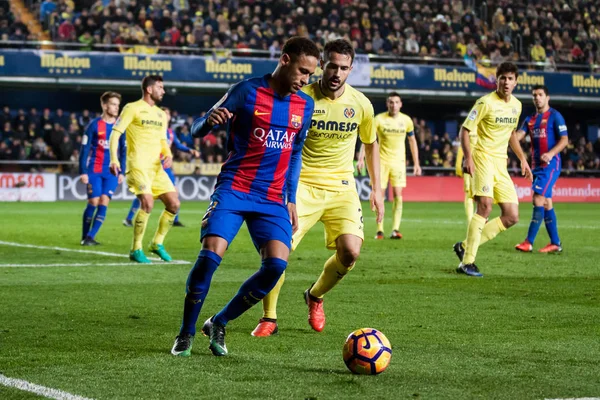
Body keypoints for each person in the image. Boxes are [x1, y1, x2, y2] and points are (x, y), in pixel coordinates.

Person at [170, 37, 319, 357]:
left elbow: (294, 153)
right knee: (211, 255)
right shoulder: (246, 91)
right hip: (235, 188)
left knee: (276, 266)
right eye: (303, 72)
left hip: (272, 198)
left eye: (310, 76)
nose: (306, 80)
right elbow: (196, 129)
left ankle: (219, 321)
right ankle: (186, 332)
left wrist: (290, 197)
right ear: (285, 59)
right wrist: (209, 122)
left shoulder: (305, 105)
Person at [252, 39, 384, 337]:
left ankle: (315, 295)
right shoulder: (302, 97)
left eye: (344, 68)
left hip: (342, 187)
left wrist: (376, 189)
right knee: (278, 252)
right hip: (301, 186)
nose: (337, 73)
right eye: (333, 66)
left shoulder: (361, 104)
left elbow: (371, 143)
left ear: (351, 69)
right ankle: (269, 317)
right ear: (322, 65)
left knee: (350, 253)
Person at [453, 62, 532, 277]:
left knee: (512, 216)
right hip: (483, 158)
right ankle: (467, 262)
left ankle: (464, 246)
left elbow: (512, 134)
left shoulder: (516, 105)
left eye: (510, 78)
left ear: (516, 81)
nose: (506, 82)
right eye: (502, 78)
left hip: (501, 163)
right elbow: (465, 130)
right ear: (496, 80)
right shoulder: (485, 102)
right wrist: (468, 157)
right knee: (485, 207)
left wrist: (523, 160)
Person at [109, 75, 180, 264]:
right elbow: (115, 134)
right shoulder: (132, 108)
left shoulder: (161, 114)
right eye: (160, 87)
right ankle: (136, 248)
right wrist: (114, 159)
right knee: (147, 203)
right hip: (138, 165)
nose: (163, 91)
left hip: (156, 168)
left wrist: (169, 154)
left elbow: (163, 141)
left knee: (174, 204)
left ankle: (157, 243)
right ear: (149, 89)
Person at [356, 91, 421, 240]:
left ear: (401, 104)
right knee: (380, 194)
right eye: (391, 102)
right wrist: (361, 159)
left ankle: (395, 229)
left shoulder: (406, 121)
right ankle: (379, 230)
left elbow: (412, 141)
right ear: (387, 104)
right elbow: (368, 140)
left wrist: (417, 163)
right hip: (381, 162)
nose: (394, 105)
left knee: (398, 195)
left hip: (398, 163)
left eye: (396, 102)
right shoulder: (379, 119)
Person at [123, 106, 199, 228]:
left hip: (166, 167)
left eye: (168, 114)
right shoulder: (153, 130)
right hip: (153, 166)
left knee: (174, 192)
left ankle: (175, 219)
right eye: (164, 113)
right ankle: (128, 218)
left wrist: (190, 150)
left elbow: (178, 145)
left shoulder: (170, 132)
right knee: (144, 194)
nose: (166, 116)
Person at [514, 85, 568, 253]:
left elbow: (565, 140)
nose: (537, 98)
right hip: (536, 167)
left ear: (547, 97)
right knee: (546, 203)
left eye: (540, 95)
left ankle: (528, 241)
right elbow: (517, 137)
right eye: (534, 95)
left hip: (550, 165)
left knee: (538, 198)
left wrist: (551, 154)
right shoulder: (530, 119)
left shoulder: (555, 116)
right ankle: (555, 243)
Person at [79, 91, 126, 246]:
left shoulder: (120, 127)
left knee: (104, 201)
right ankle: (85, 235)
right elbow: (84, 150)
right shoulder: (93, 125)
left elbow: (124, 150)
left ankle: (90, 237)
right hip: (95, 169)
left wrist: (123, 171)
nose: (116, 108)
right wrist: (83, 171)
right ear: (104, 105)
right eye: (113, 104)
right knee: (93, 201)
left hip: (112, 171)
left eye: (117, 105)